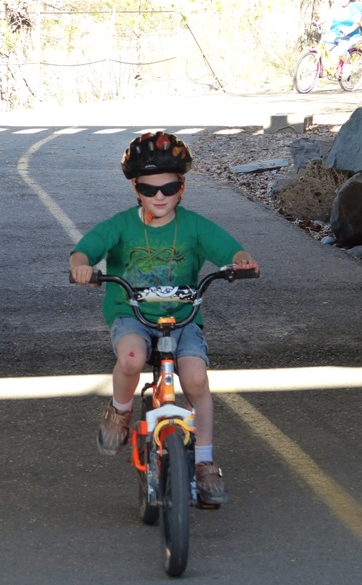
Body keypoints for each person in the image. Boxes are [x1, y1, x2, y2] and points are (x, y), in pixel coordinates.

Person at [69, 131, 258, 505]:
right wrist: (82, 266)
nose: (159, 196)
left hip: (182, 318)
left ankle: (203, 461)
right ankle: (121, 412)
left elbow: (229, 248)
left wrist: (239, 261)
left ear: (182, 187)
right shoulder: (122, 225)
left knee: (196, 379)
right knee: (132, 358)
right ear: (135, 189)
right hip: (133, 313)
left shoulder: (193, 226)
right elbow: (86, 248)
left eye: (169, 187)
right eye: (149, 188)